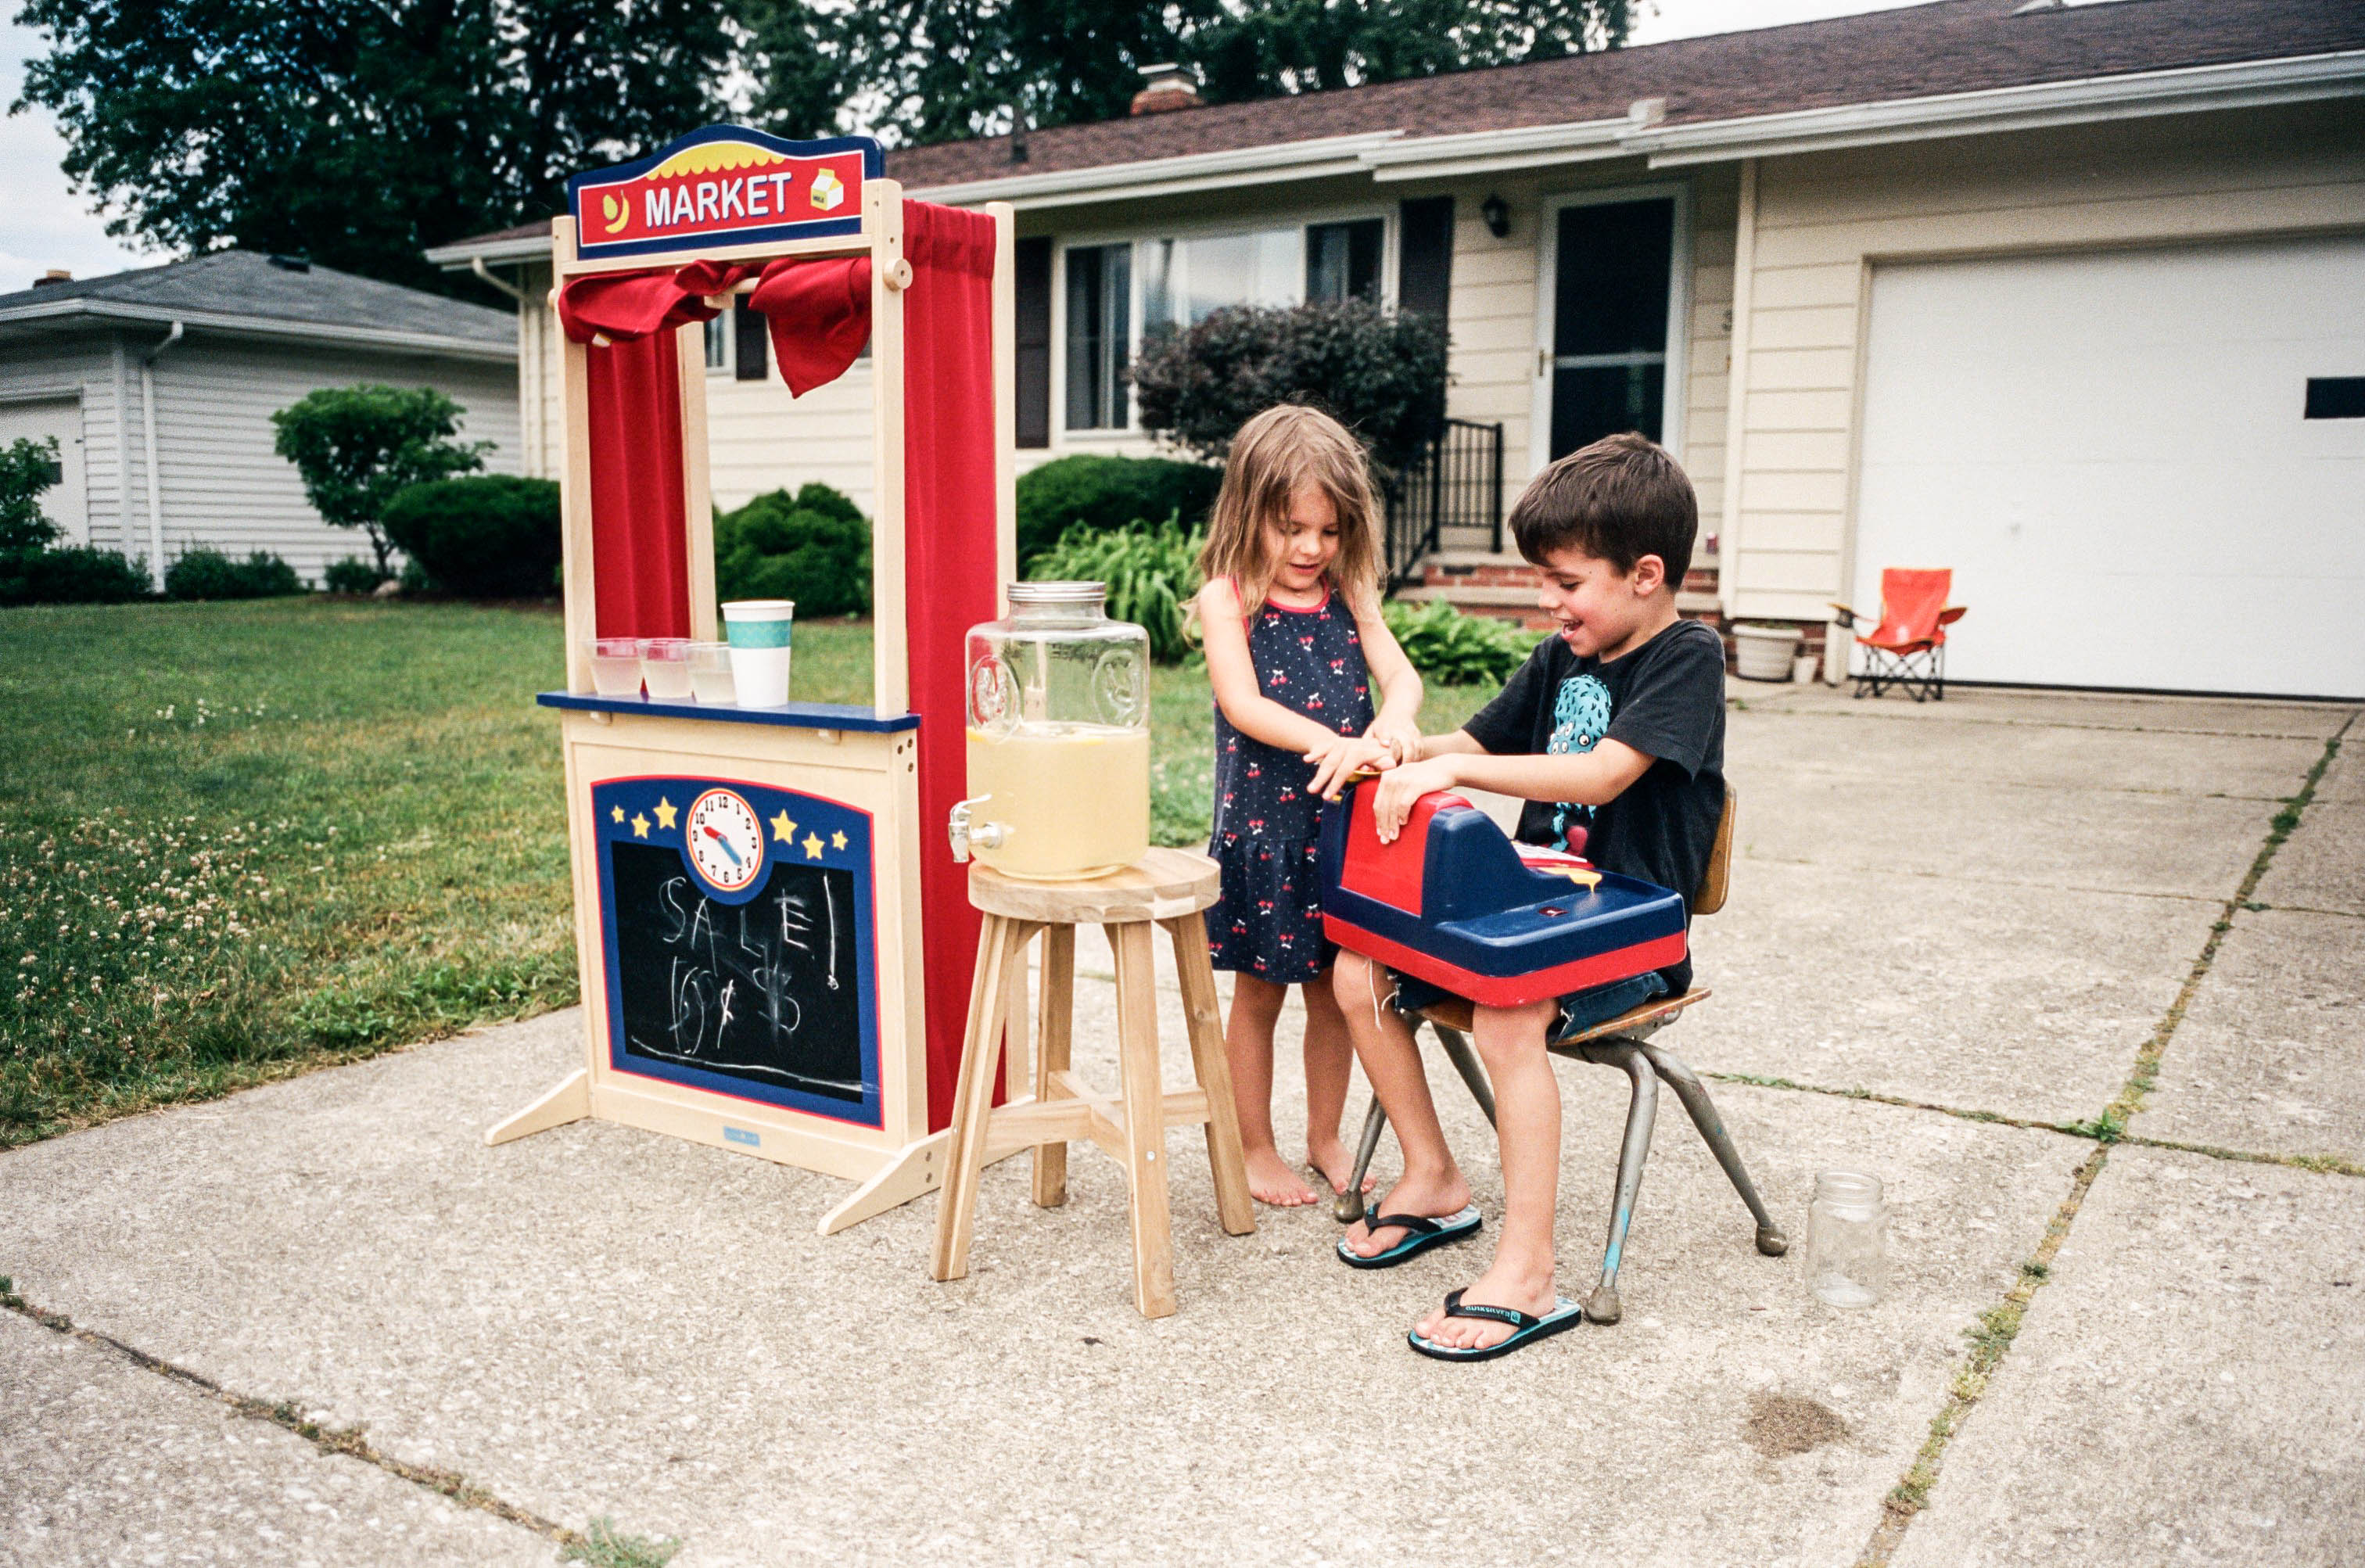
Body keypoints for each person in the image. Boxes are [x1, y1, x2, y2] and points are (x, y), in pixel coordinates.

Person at [1331, 432, 1727, 1360]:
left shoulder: (1687, 659)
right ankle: (1432, 1176)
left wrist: (1461, 768)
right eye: (1542, 582)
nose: (1548, 602)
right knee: (1360, 970)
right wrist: (1393, 749)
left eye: (1566, 582)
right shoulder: (1563, 658)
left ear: (1646, 574)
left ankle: (1529, 1269)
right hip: (1526, 914)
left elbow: (1599, 777)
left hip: (1631, 939)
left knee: (1509, 1015)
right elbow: (1459, 740)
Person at [1194, 404, 1424, 1207]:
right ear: (1248, 511)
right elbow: (1245, 702)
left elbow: (1402, 677)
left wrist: (1392, 723)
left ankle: (1324, 1136)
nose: (1309, 549)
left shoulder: (1348, 591)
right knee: (1258, 995)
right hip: (1266, 836)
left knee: (1335, 993)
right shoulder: (1228, 599)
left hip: (1341, 837)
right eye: (1290, 527)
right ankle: (1252, 1144)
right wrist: (1333, 741)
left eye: (1328, 531)